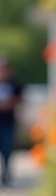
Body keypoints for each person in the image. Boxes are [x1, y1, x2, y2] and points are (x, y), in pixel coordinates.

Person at [0, 56, 23, 188]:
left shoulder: (15, 83)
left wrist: (8, 104)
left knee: (7, 149)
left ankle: (6, 175)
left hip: (8, 122)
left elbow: (20, 98)